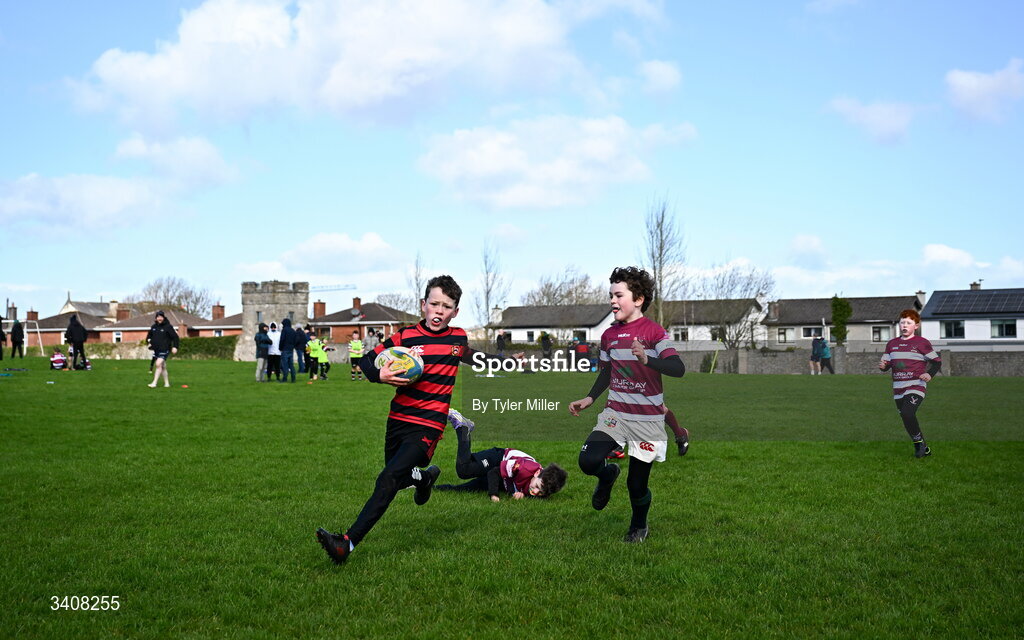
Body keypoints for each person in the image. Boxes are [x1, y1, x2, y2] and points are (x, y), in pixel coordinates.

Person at [316, 274, 522, 564]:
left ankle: (346, 544)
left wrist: (510, 361)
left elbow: (475, 357)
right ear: (424, 304)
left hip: (428, 425)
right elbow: (365, 361)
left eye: (447, 306)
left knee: (387, 478)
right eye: (434, 304)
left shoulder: (457, 338)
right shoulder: (404, 338)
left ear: (455, 312)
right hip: (398, 419)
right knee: (397, 479)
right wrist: (381, 374)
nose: (439, 311)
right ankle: (425, 478)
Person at [569, 266, 686, 544]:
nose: (612, 301)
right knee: (588, 460)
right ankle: (608, 474)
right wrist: (590, 398)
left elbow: (677, 368)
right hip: (616, 415)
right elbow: (608, 371)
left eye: (618, 295)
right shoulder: (609, 335)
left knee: (637, 484)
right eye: (611, 295)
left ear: (638, 299)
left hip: (647, 422)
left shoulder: (654, 333)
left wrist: (648, 360)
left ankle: (638, 525)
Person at [436, 408, 567, 501]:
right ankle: (463, 428)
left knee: (463, 489)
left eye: (541, 492)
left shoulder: (546, 487)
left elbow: (532, 489)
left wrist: (519, 493)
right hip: (498, 459)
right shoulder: (523, 467)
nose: (536, 492)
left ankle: (427, 485)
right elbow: (494, 472)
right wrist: (494, 495)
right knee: (464, 470)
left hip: (505, 479)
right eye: (537, 487)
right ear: (537, 473)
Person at [879, 309, 941, 458]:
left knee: (908, 413)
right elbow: (887, 364)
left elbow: (937, 362)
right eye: (902, 322)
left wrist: (929, 374)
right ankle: (923, 447)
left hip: (916, 385)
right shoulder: (891, 344)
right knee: (906, 418)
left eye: (908, 323)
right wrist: (884, 366)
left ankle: (918, 447)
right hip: (898, 387)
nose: (904, 325)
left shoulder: (922, 343)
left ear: (916, 326)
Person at [146, 310, 179, 388]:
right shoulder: (153, 327)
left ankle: (154, 383)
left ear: (163, 318)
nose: (159, 318)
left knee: (158, 364)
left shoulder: (168, 327)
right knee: (163, 366)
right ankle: (167, 384)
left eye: (161, 317)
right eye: (158, 317)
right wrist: (149, 341)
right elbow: (149, 336)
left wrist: (175, 347)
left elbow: (175, 337)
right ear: (156, 318)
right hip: (156, 349)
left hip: (165, 349)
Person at [279, 318, 297, 383]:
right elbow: (296, 340)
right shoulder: (293, 331)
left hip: (285, 349)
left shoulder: (284, 330)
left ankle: (285, 378)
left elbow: (282, 339)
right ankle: (293, 378)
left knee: (285, 364)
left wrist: (280, 348)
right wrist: (293, 346)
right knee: (291, 364)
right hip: (291, 349)